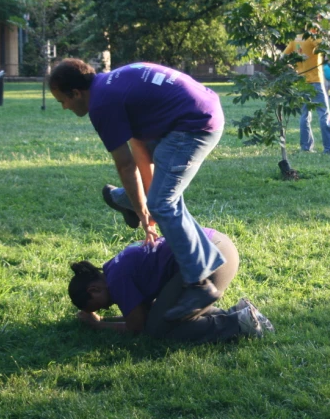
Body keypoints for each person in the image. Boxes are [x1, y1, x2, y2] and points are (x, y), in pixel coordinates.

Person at [49, 59, 226, 322]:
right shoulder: (115, 84)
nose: (63, 107)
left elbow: (125, 164)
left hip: (194, 124)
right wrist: (144, 207)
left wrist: (147, 213)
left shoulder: (101, 104)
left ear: (75, 93)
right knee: (157, 200)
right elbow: (141, 149)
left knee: (163, 204)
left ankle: (200, 284)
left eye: (61, 100)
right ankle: (126, 200)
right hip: (193, 112)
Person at [68, 229, 274, 343]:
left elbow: (138, 326)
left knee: (159, 330)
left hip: (209, 261)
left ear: (93, 290)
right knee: (166, 313)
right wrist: (104, 319)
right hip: (218, 245)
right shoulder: (113, 267)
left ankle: (238, 325)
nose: (107, 307)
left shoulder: (117, 281)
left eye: (100, 306)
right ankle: (240, 314)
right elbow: (143, 313)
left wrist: (98, 324)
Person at [283, 35, 330, 153]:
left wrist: (294, 69)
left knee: (304, 115)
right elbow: (328, 49)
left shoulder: (295, 39)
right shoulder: (313, 36)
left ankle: (306, 147)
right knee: (324, 114)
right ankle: (329, 148)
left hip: (301, 82)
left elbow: (283, 57)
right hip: (315, 81)